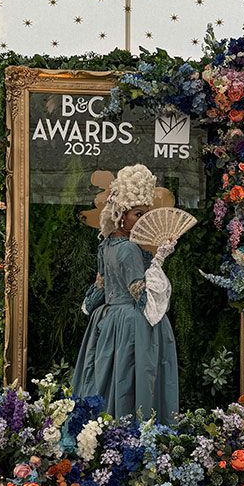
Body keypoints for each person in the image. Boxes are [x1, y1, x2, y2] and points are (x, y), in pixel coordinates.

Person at [71, 164, 179, 424]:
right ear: (120, 215)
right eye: (137, 214)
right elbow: (143, 297)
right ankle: (132, 430)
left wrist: (94, 308)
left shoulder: (106, 245)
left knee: (106, 377)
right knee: (132, 377)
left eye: (145, 214)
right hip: (132, 324)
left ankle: (103, 430)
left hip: (108, 321)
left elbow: (97, 292)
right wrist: (159, 260)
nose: (142, 220)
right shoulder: (129, 249)